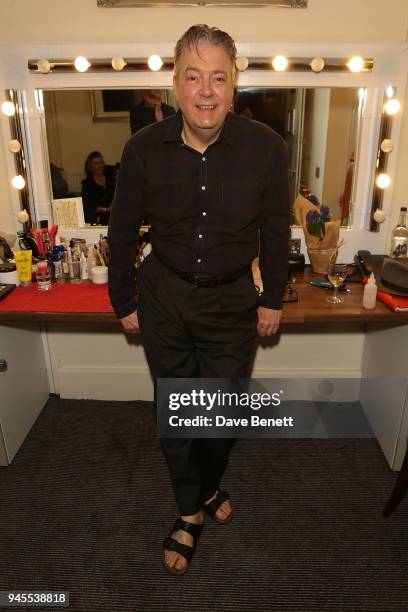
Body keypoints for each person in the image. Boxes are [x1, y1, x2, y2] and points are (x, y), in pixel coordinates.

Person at [108, 24, 290, 576]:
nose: (206, 91)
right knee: (178, 414)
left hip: (234, 299)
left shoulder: (267, 148)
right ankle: (190, 511)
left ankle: (209, 483)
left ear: (234, 86)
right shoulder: (141, 149)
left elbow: (277, 230)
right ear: (174, 83)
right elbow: (119, 232)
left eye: (218, 77)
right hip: (163, 296)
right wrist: (125, 299)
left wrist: (273, 297)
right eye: (194, 77)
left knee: (222, 418)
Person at [81, 151, 117, 225]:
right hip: (99, 220)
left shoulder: (112, 179)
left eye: (101, 162)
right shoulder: (87, 185)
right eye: (96, 163)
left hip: (115, 216)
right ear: (90, 167)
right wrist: (106, 210)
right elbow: (87, 208)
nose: (100, 166)